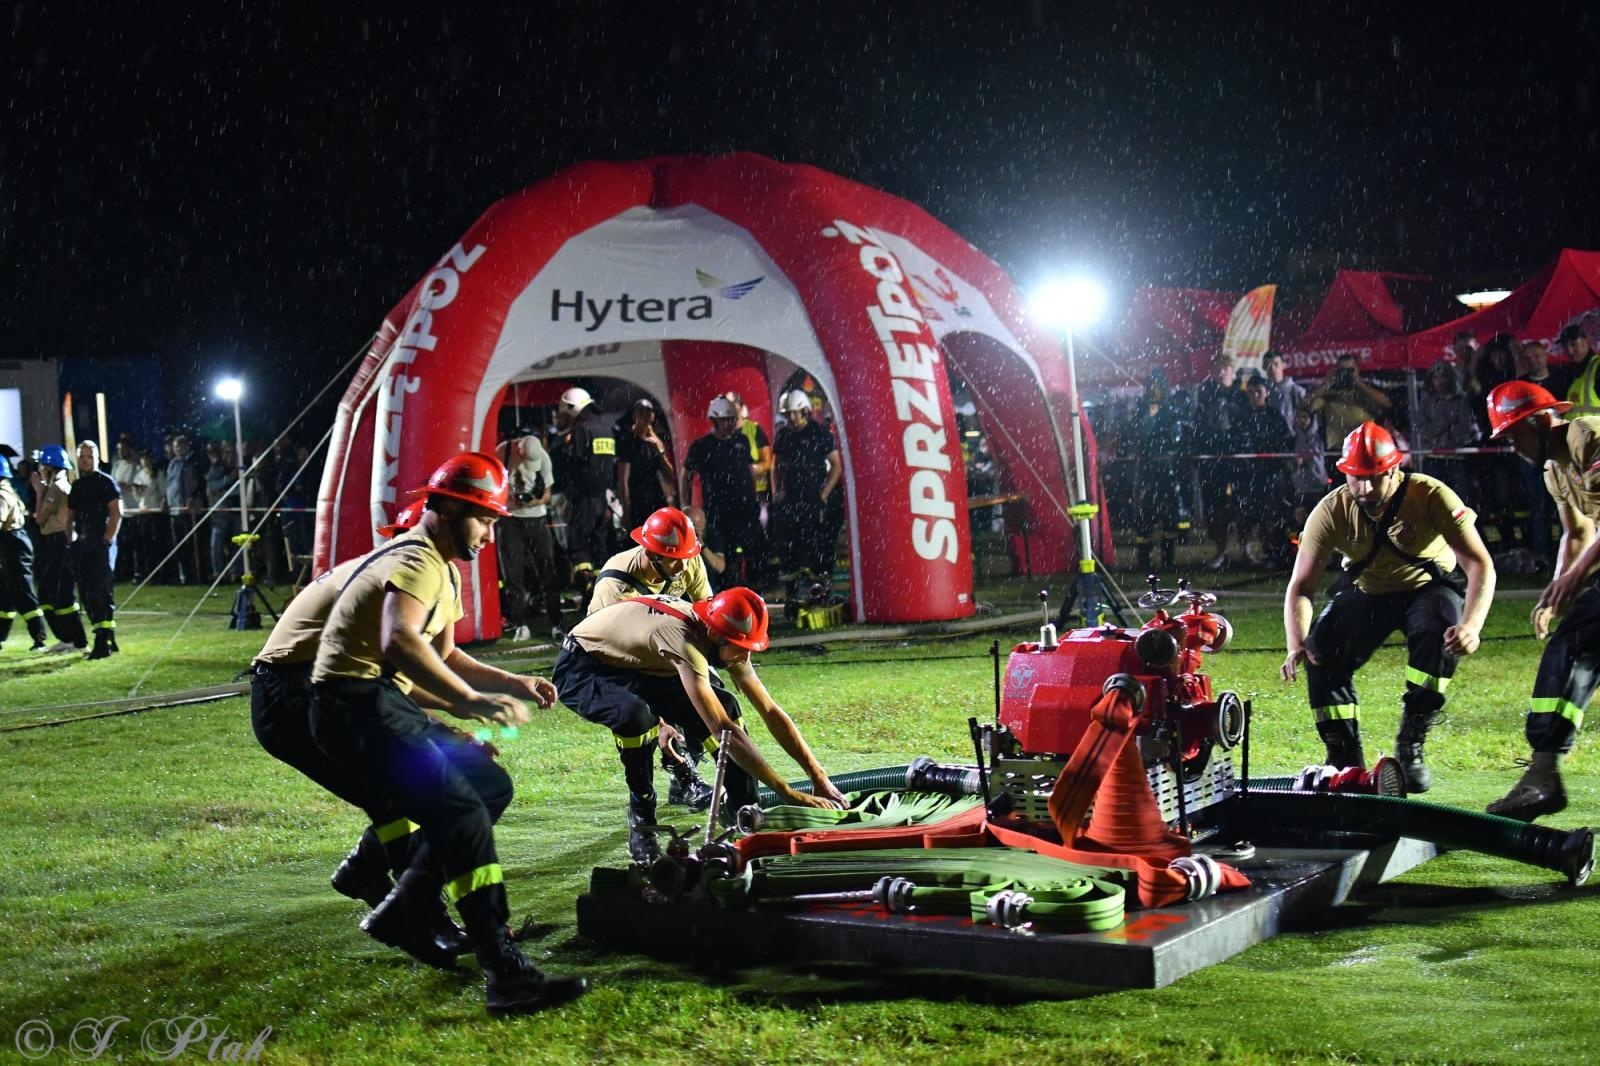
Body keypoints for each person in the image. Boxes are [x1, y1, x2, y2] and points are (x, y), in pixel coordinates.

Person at [308, 451, 587, 1015]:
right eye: (484, 518)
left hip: (372, 701)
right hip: (354, 704)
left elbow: (445, 653)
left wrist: (509, 681)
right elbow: (399, 642)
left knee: (487, 787)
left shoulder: (442, 569)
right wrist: (467, 702)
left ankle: (403, 902)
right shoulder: (417, 558)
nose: (489, 533)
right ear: (452, 508)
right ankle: (501, 970)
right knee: (459, 812)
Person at [553, 586, 844, 865]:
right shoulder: (683, 640)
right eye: (740, 648)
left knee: (727, 703)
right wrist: (789, 794)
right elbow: (722, 729)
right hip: (584, 665)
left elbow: (769, 709)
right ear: (715, 635)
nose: (745, 657)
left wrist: (818, 777)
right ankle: (642, 817)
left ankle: (743, 807)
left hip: (639, 662)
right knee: (635, 716)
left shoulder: (721, 636)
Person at [1280, 422, 1495, 792]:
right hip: (1368, 591)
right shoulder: (1330, 511)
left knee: (1439, 631)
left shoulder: (1430, 495)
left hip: (1428, 588)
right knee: (1320, 651)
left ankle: (1412, 739)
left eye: (1373, 478)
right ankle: (1344, 758)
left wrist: (1471, 626)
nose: (1363, 489)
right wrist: (1296, 641)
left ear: (1394, 470)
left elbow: (1480, 564)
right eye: (1354, 478)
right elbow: (1301, 587)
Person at [1479, 381, 1600, 818]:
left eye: (1514, 435)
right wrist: (1555, 590)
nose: (1512, 446)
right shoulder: (1554, 467)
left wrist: (1574, 581)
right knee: (1574, 649)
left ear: (1538, 420)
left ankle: (1543, 776)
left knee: (1570, 647)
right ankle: (1543, 772)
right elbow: (1577, 531)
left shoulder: (1586, 436)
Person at [587, 505, 716, 811]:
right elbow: (621, 660)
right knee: (640, 715)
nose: (684, 568)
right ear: (651, 554)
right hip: (614, 657)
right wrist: (661, 722)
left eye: (688, 558)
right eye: (675, 561)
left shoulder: (686, 559)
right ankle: (645, 802)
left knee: (706, 688)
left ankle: (684, 777)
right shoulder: (616, 586)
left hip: (659, 643)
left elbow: (705, 611)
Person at [681, 395, 765, 588]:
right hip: (716, 510)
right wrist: (685, 504)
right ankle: (725, 591)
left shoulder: (742, 441)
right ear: (715, 420)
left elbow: (748, 472)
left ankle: (749, 590)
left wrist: (754, 499)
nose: (730, 424)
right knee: (722, 556)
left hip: (744, 509)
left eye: (732, 419)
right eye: (725, 420)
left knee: (748, 553)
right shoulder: (702, 446)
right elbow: (687, 474)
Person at [770, 389, 843, 595]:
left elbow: (836, 466)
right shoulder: (784, 435)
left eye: (795, 413)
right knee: (789, 545)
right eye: (788, 413)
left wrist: (823, 495)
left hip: (814, 499)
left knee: (818, 545)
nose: (791, 417)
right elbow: (775, 465)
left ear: (805, 411)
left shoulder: (820, 433)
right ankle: (792, 595)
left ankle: (820, 592)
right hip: (791, 499)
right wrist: (777, 492)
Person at [548, 386, 619, 588]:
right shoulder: (604, 428)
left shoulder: (581, 429)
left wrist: (562, 447)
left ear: (571, 407)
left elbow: (572, 461)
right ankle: (606, 589)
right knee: (599, 546)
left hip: (582, 499)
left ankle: (586, 588)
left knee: (579, 546)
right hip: (602, 499)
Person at [499, 430, 563, 641]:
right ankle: (521, 623)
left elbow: (546, 494)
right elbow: (492, 479)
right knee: (512, 574)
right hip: (510, 520)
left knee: (548, 571)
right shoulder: (503, 451)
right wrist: (507, 498)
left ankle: (556, 622)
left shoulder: (543, 457)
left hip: (537, 519)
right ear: (519, 448)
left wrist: (532, 501)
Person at [30, 444, 88, 654]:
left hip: (58, 543)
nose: (39, 469)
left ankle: (75, 640)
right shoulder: (58, 485)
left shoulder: (57, 488)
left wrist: (39, 491)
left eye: (42, 465)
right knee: (52, 594)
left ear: (49, 466)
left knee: (57, 594)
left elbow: (40, 518)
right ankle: (70, 639)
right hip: (57, 543)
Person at [1192, 355, 1248, 569]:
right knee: (1215, 508)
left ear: (1233, 371)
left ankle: (1244, 549)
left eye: (1226, 369)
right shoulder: (1206, 394)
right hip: (1213, 460)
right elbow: (1199, 425)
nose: (1222, 373)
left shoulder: (1241, 395)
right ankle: (1220, 551)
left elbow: (1246, 423)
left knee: (1242, 505)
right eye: (1218, 369)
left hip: (1237, 459)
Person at [68, 441, 122, 659]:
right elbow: (70, 516)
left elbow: (116, 512)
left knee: (101, 591)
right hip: (82, 544)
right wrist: (70, 540)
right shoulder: (78, 486)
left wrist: (107, 540)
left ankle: (102, 643)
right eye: (82, 456)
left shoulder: (105, 482)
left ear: (97, 458)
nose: (85, 460)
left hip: (100, 543)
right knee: (87, 592)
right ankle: (108, 635)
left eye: (89, 456)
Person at [1235, 374, 1293, 566]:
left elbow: (1284, 442)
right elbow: (1235, 444)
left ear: (1267, 392)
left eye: (1258, 391)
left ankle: (1272, 550)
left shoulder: (1275, 416)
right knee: (1246, 514)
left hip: (1271, 473)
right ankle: (1246, 553)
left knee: (1271, 513)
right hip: (1247, 474)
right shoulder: (1242, 416)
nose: (1254, 395)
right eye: (1250, 392)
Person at [1130, 376, 1182, 573]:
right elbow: (1135, 437)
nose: (1154, 390)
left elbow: (1174, 440)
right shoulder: (1140, 413)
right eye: (1151, 386)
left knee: (1169, 516)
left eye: (1157, 386)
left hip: (1166, 472)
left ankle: (1168, 560)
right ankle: (1143, 560)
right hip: (1146, 472)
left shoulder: (1170, 413)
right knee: (1145, 516)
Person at [0, 455, 49, 652]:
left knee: (23, 592)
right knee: (3, 595)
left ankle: (40, 638)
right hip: (10, 545)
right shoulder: (7, 490)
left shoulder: (1, 494)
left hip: (14, 547)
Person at [1413, 360, 1479, 505]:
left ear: (1450, 378)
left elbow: (1464, 428)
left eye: (1443, 376)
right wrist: (1446, 421)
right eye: (1436, 377)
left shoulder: (1461, 401)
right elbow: (1422, 430)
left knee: (1462, 500)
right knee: (1435, 500)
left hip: (1457, 459)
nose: (1439, 381)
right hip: (1433, 458)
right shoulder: (1425, 402)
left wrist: (1443, 437)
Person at [1307, 352, 1392, 449]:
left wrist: (1359, 382)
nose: (1346, 373)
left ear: (1357, 369)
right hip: (1338, 448)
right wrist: (1327, 383)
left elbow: (1387, 403)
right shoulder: (1328, 392)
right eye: (1342, 370)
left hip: (1365, 447)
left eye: (1350, 370)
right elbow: (1307, 403)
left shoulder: (1367, 389)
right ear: (1336, 371)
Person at [615, 398, 676, 529]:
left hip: (656, 498)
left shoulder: (656, 442)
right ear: (634, 415)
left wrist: (660, 454)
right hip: (638, 501)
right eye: (641, 412)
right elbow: (623, 480)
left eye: (648, 412)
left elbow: (670, 477)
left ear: (653, 416)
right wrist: (626, 510)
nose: (645, 416)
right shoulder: (628, 441)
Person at [164, 434, 207, 584]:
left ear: (187, 446)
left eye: (181, 446)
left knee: (193, 544)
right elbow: (169, 484)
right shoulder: (173, 464)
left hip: (190, 510)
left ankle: (198, 574)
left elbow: (200, 482)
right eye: (176, 447)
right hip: (176, 509)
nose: (178, 449)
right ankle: (185, 575)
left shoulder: (194, 462)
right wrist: (166, 500)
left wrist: (194, 497)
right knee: (179, 545)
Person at [1262, 350, 1306, 432]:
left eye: (1276, 364)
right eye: (1268, 365)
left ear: (1284, 365)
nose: (1272, 368)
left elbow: (1306, 418)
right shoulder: (1261, 391)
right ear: (1263, 367)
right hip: (1266, 437)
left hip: (1291, 438)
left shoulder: (1296, 391)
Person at [1561, 324, 1600, 418]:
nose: (1570, 351)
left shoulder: (1598, 367)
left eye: (1573, 344)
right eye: (1565, 347)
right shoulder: (1568, 372)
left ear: (1586, 341)